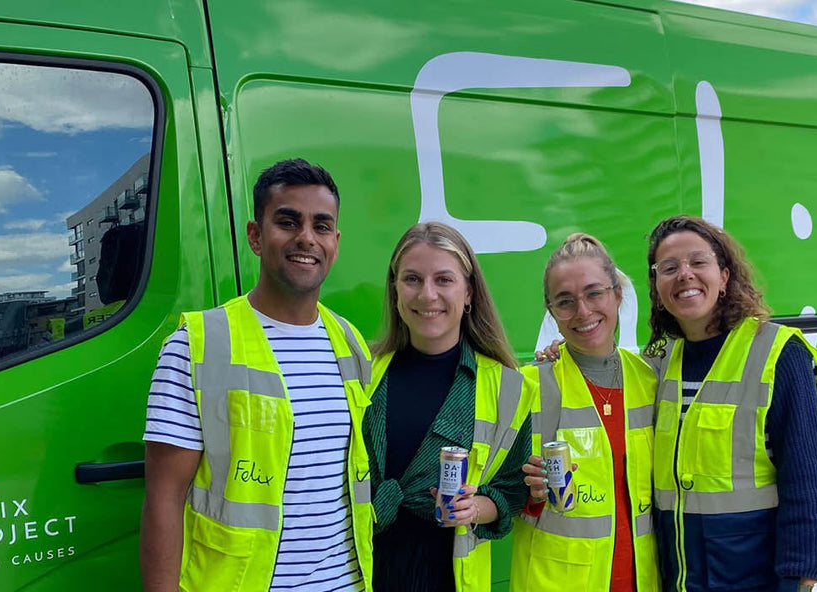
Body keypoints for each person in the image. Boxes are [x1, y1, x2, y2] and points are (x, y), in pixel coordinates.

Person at [140, 159, 374, 592]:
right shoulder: (195, 346)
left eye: (322, 226)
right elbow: (163, 500)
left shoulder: (350, 342)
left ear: (335, 242)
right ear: (255, 235)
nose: (307, 237)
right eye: (288, 221)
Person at [645, 215, 817, 592]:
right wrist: (561, 357)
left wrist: (809, 580)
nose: (684, 275)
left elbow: (808, 476)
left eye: (698, 262)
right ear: (656, 287)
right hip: (682, 580)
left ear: (725, 276)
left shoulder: (778, 352)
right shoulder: (659, 361)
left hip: (757, 579)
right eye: (669, 268)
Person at [364, 221, 537, 592]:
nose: (427, 295)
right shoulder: (360, 372)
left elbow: (512, 489)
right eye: (412, 279)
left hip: (449, 576)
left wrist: (476, 508)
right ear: (394, 291)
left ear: (469, 292)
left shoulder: (509, 387)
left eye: (444, 280)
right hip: (360, 569)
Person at [512, 233, 661, 592]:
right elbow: (497, 496)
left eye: (595, 293)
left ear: (618, 295)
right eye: (565, 302)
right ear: (551, 311)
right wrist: (529, 494)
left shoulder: (652, 380)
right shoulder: (526, 387)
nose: (583, 312)